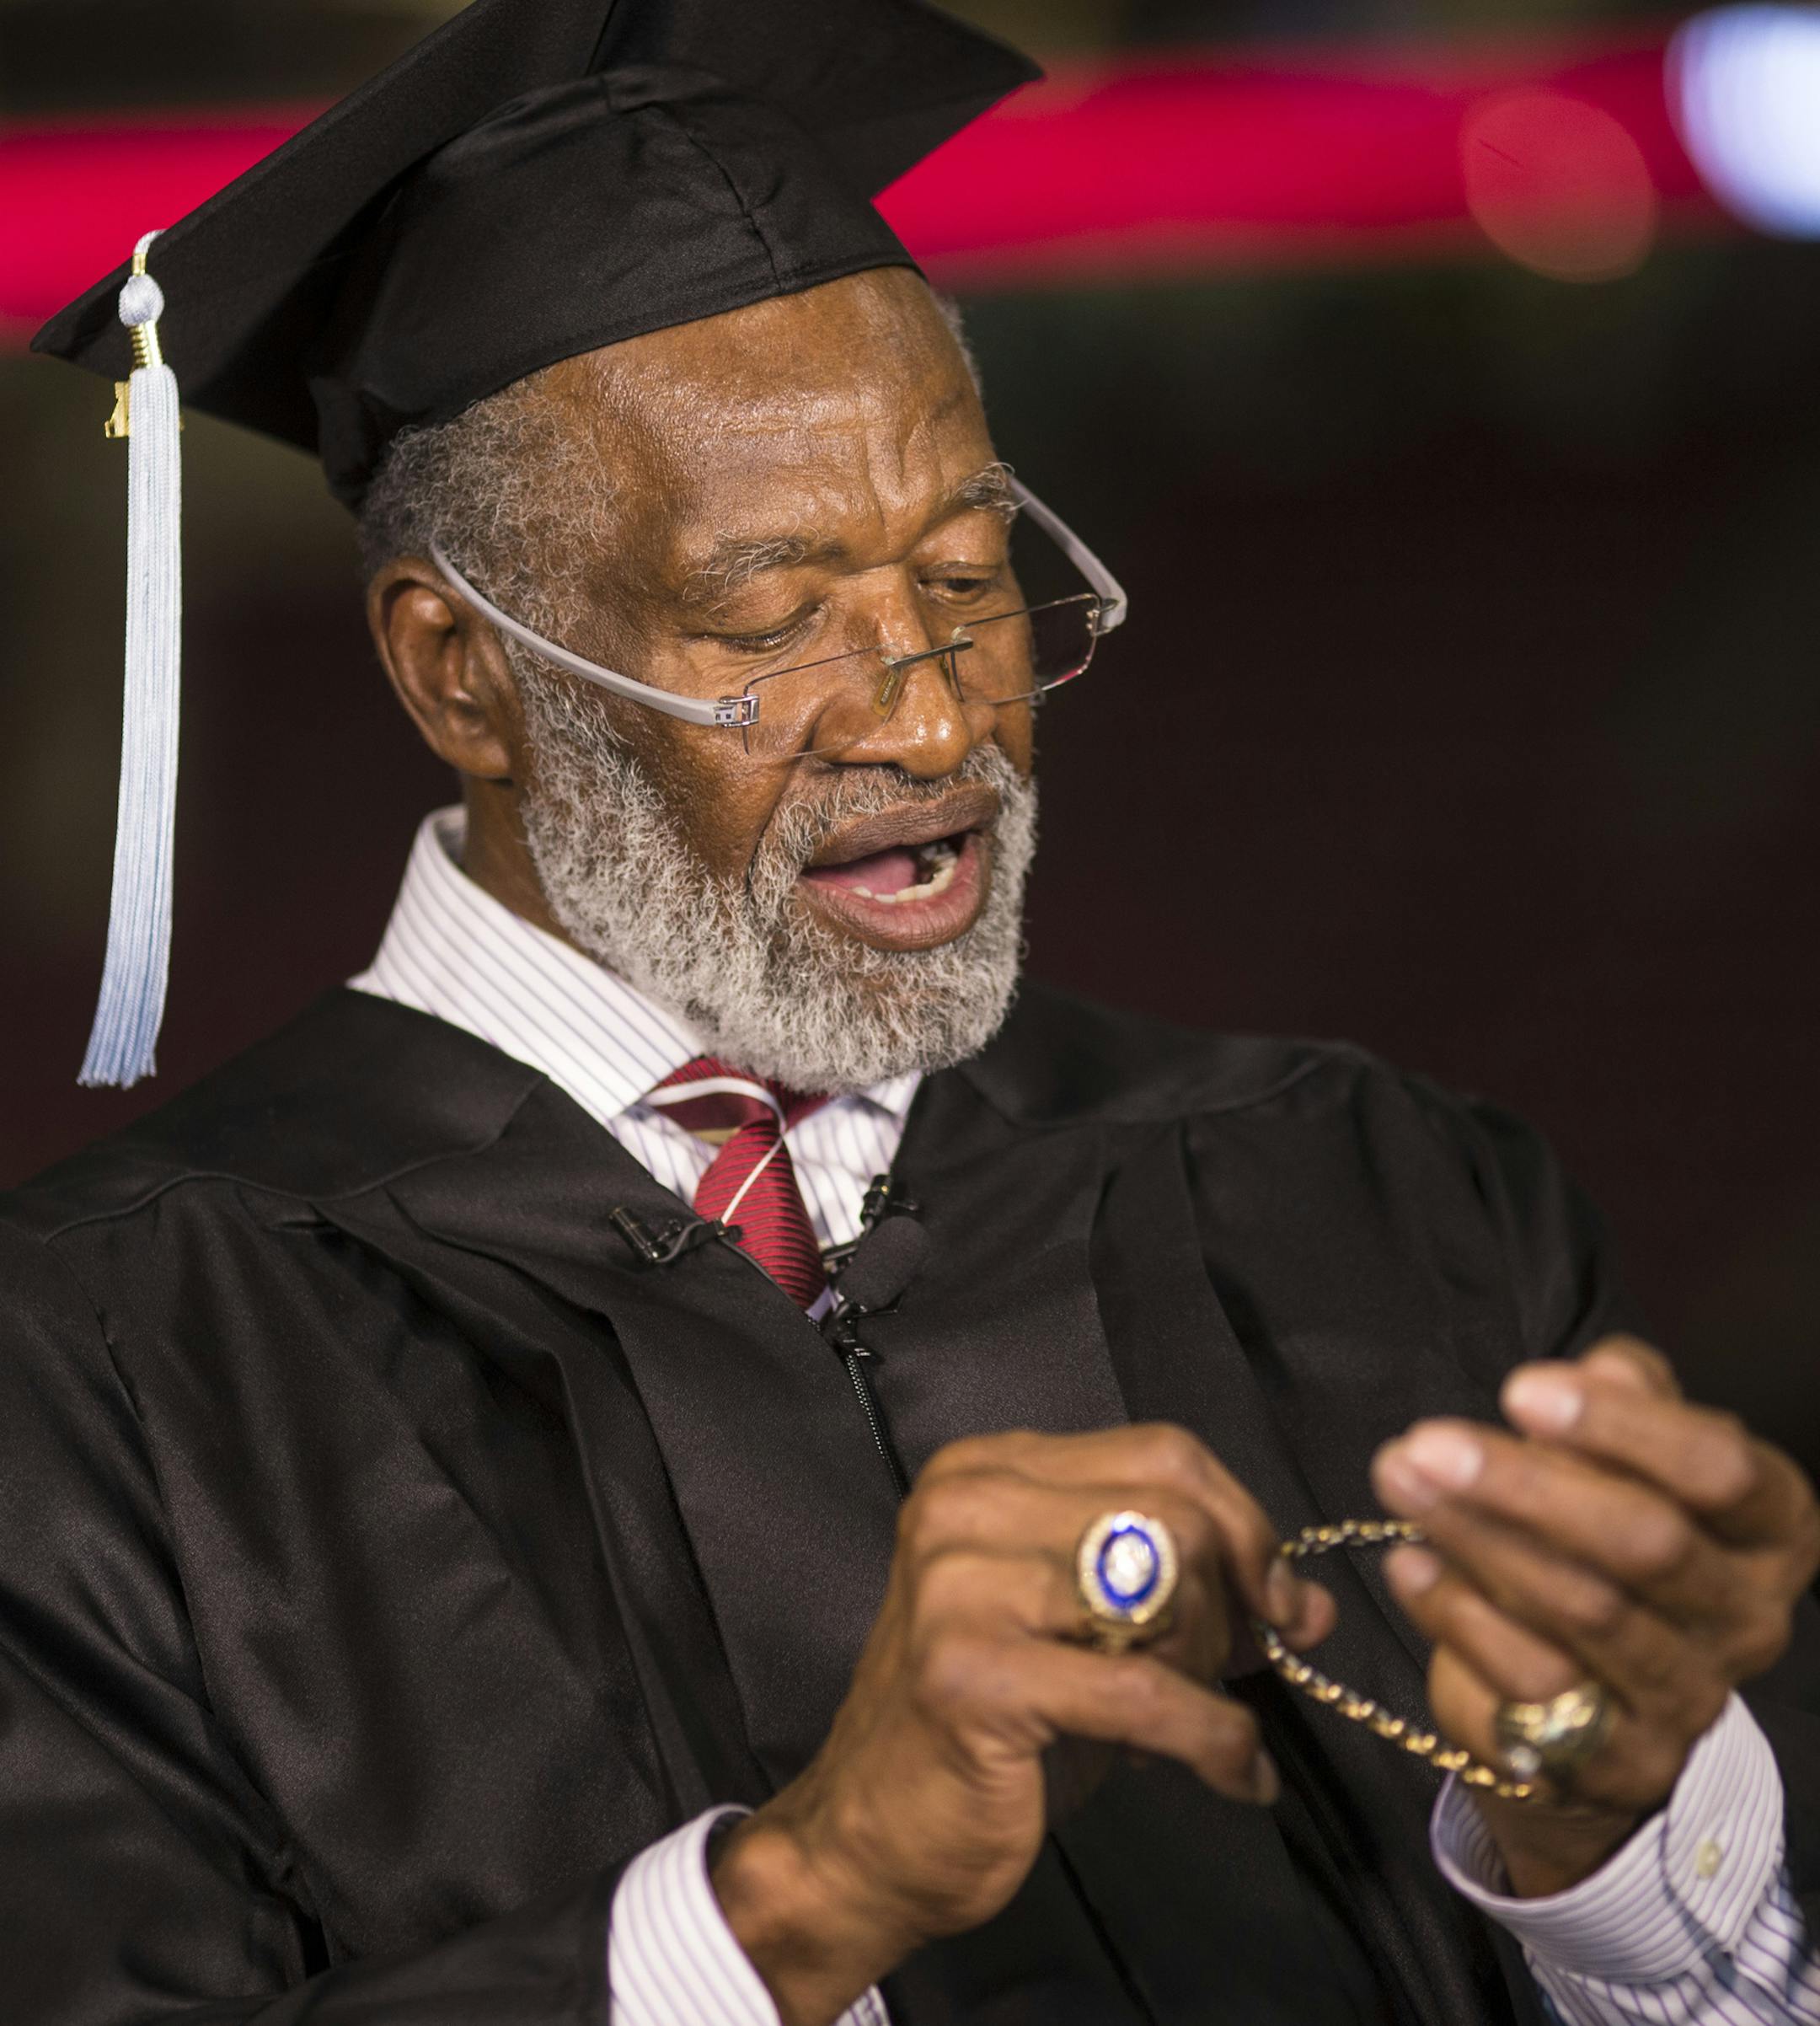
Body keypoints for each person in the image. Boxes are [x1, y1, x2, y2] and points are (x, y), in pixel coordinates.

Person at [10, 3, 1820, 2023]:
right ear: (461, 672)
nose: (941, 711)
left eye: (969, 578)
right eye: (777, 616)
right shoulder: (94, 1388)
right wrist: (795, 1899)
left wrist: (1625, 1836)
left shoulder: (1375, 1183)